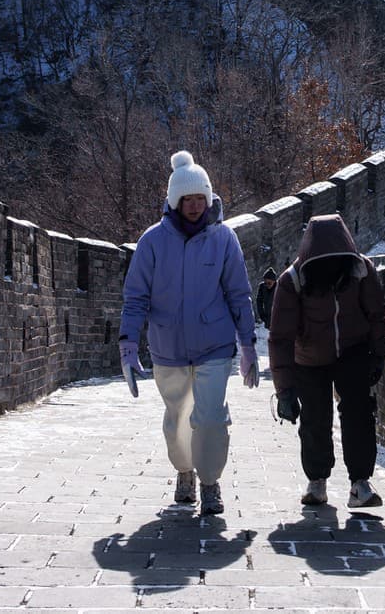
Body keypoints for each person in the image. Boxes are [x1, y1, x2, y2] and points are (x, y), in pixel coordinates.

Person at [119, 151, 259, 515]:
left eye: (202, 199)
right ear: (175, 201)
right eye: (189, 199)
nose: (196, 206)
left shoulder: (224, 239)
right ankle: (185, 472)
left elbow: (238, 293)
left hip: (215, 344)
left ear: (210, 199)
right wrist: (128, 344)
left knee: (211, 417)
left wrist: (247, 345)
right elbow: (136, 297)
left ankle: (210, 481)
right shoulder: (152, 242)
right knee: (177, 419)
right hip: (168, 346)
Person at [268, 214, 385, 510]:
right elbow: (280, 337)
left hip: (353, 349)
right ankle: (317, 480)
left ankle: (360, 482)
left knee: (359, 413)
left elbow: (377, 314)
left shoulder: (361, 271)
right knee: (314, 418)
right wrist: (284, 390)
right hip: (309, 357)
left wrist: (378, 354)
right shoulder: (292, 281)